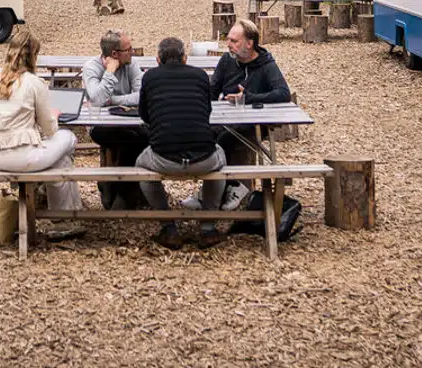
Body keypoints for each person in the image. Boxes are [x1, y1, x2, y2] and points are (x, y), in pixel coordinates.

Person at [0, 27, 85, 241]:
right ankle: (64, 218)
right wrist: (54, 115)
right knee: (67, 139)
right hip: (23, 157)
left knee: (60, 159)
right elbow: (50, 129)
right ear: (33, 56)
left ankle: (63, 216)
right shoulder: (34, 83)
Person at [136, 37, 227, 250]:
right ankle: (208, 226)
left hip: (164, 157)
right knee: (221, 161)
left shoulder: (150, 77)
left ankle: (168, 226)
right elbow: (207, 111)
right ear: (185, 58)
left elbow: (144, 115)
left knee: (140, 167)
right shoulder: (200, 76)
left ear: (158, 59)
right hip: (204, 156)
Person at [208, 18, 292, 208]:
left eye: (234, 41)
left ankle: (231, 188)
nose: (228, 45)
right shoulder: (227, 60)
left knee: (224, 140)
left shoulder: (266, 64)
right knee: (205, 137)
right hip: (225, 117)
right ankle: (212, 191)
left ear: (249, 43)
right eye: (228, 40)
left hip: (255, 123)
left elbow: (283, 93)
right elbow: (213, 89)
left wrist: (249, 97)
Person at [81, 30, 148, 209]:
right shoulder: (91, 67)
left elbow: (142, 95)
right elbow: (96, 100)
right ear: (114, 54)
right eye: (128, 49)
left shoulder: (131, 63)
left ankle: (116, 189)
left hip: (131, 121)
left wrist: (114, 100)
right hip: (100, 125)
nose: (132, 52)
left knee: (144, 137)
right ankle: (124, 193)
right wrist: (110, 71)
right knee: (133, 140)